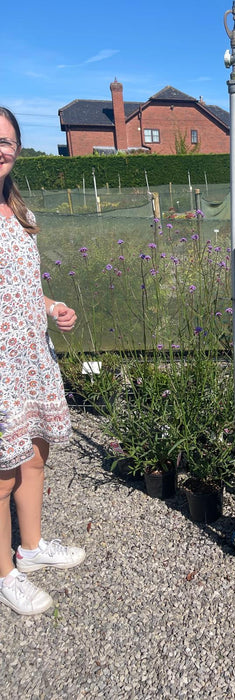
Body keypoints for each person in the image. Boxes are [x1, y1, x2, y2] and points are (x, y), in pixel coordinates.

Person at [0, 107, 85, 616]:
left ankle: (29, 550)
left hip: (32, 354)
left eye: (8, 140)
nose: (2, 147)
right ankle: (4, 573)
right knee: (2, 470)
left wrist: (51, 307)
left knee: (35, 453)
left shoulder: (21, 214)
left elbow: (23, 288)